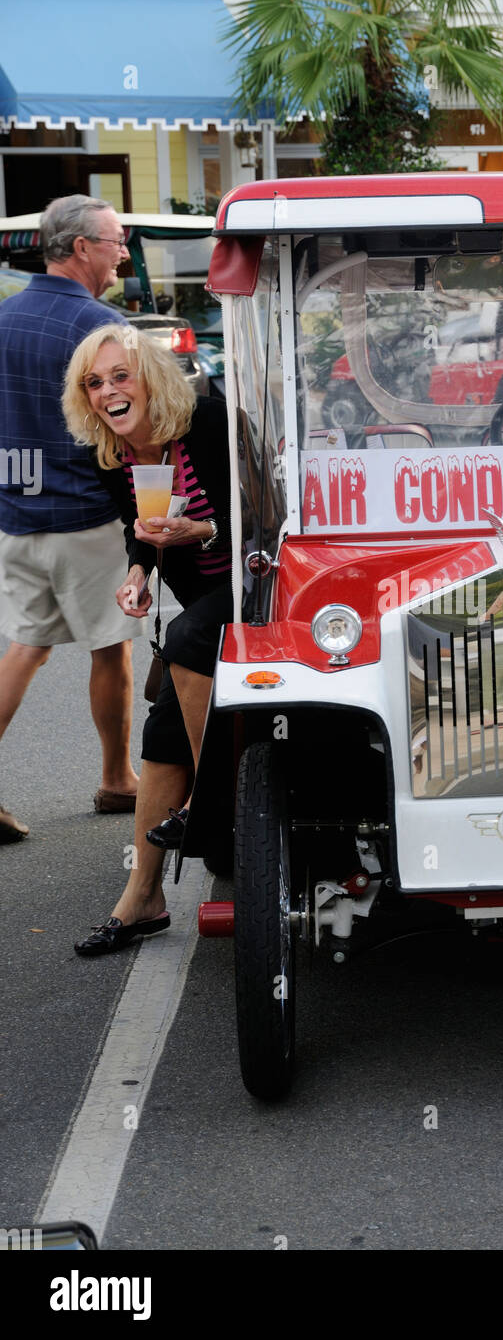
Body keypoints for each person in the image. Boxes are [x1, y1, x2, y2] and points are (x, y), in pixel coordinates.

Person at [62, 324, 232, 956]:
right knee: (162, 731)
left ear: (151, 377)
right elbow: (141, 530)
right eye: (94, 382)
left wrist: (202, 532)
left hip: (261, 583)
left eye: (120, 375)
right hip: (201, 598)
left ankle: (217, 801)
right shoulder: (109, 453)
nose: (108, 391)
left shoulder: (209, 422)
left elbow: (264, 515)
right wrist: (137, 572)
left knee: (187, 637)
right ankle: (144, 899)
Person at [0, 194, 143, 840]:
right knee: (108, 648)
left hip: (16, 511)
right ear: (80, 248)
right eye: (115, 240)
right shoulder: (99, 329)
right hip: (87, 514)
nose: (123, 250)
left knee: (27, 646)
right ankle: (117, 779)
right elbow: (129, 423)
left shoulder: (4, 318)